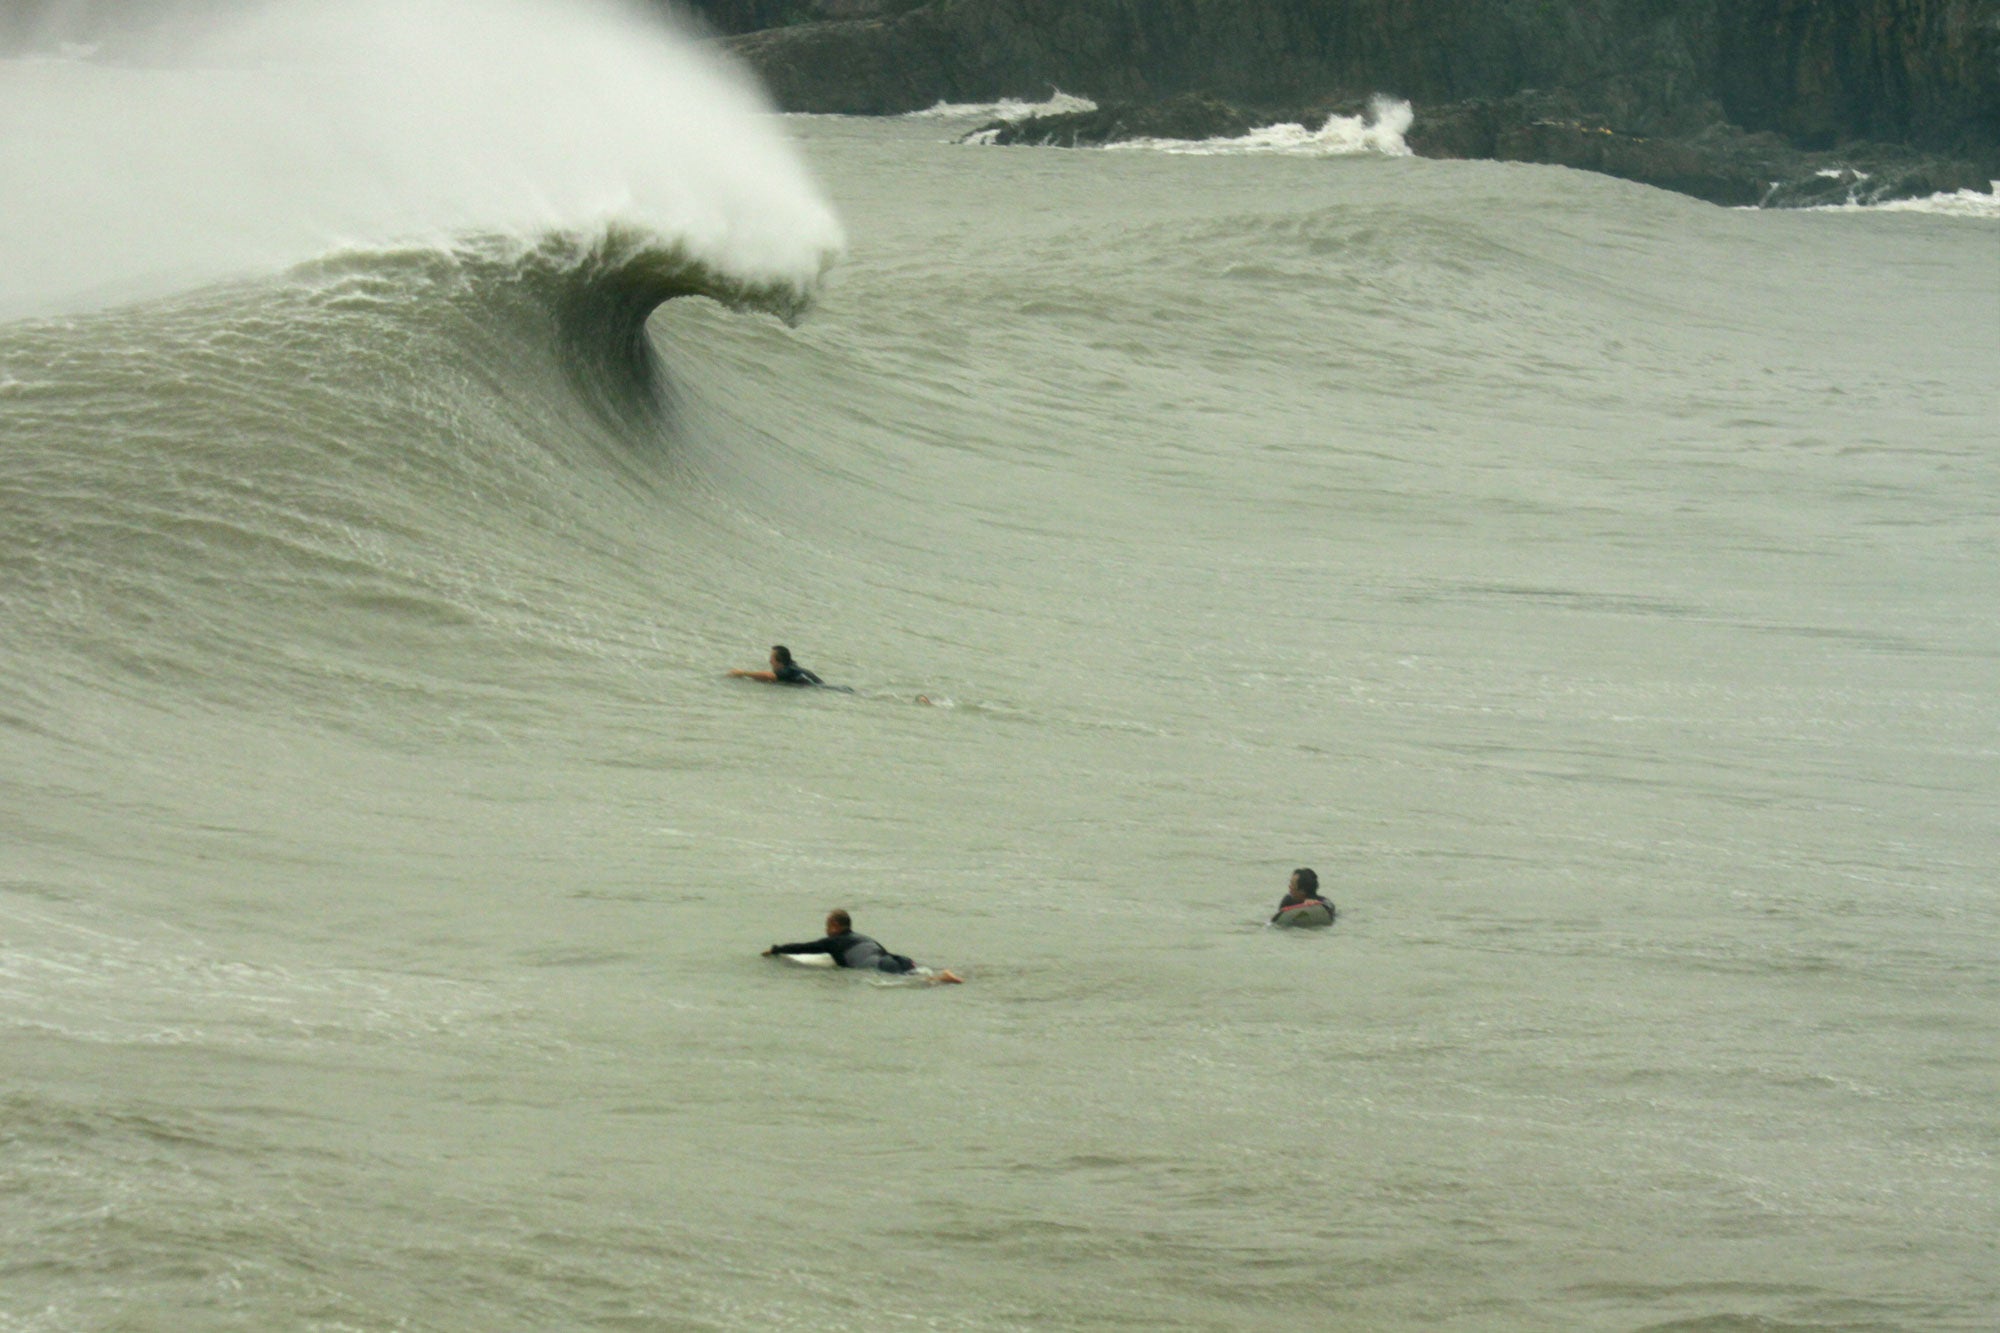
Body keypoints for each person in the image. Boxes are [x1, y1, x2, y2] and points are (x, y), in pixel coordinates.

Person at [764, 909, 963, 984]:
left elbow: (803, 947)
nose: (826, 930)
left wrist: (776, 949)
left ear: (835, 926)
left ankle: (942, 977)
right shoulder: (864, 937)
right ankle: (942, 975)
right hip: (896, 958)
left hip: (878, 967)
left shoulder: (833, 942)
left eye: (827, 925)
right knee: (919, 973)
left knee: (919, 981)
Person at [730, 645, 826, 686]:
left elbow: (769, 676)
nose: (770, 661)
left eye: (771, 658)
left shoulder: (788, 671)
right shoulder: (792, 668)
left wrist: (743, 673)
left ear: (779, 662)